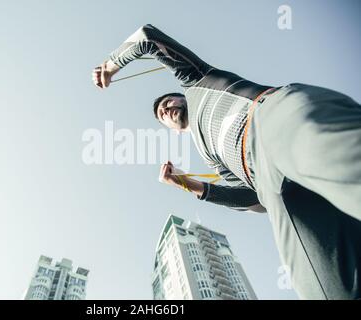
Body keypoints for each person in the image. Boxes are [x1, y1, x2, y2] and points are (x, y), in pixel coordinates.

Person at [92, 24, 361, 299]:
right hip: (269, 186)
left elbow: (147, 37)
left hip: (269, 116)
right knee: (326, 288)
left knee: (345, 164)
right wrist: (185, 183)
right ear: (170, 128)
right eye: (162, 114)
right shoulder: (210, 156)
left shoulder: (196, 79)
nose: (167, 109)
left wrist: (111, 64)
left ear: (179, 96)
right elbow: (252, 200)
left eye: (168, 102)